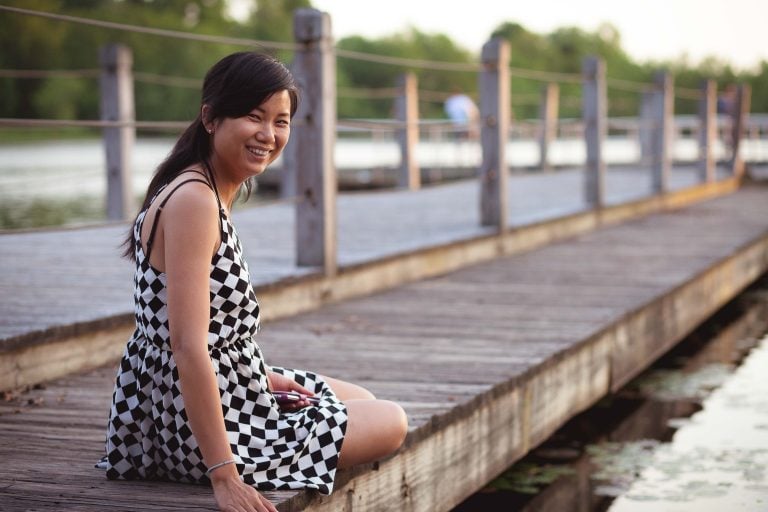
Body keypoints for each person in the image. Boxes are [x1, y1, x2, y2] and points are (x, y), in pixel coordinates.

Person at [101, 52, 408, 512]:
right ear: (210, 117)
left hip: (212, 390)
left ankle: (270, 412)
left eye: (280, 121)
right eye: (253, 116)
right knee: (391, 421)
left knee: (360, 399)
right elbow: (186, 344)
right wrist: (224, 477)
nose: (269, 135)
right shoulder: (195, 201)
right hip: (189, 426)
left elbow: (185, 333)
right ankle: (243, 459)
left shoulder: (202, 186)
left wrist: (260, 376)